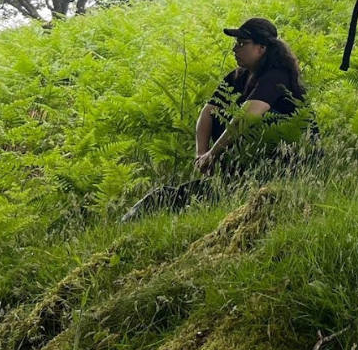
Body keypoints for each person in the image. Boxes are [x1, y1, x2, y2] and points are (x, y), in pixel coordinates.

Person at [122, 17, 309, 220]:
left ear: (261, 48)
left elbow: (248, 117)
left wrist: (213, 153)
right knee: (166, 197)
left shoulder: (277, 75)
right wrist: (201, 154)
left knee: (258, 119)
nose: (235, 49)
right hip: (245, 165)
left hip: (286, 165)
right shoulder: (238, 76)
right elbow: (208, 111)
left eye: (242, 44)